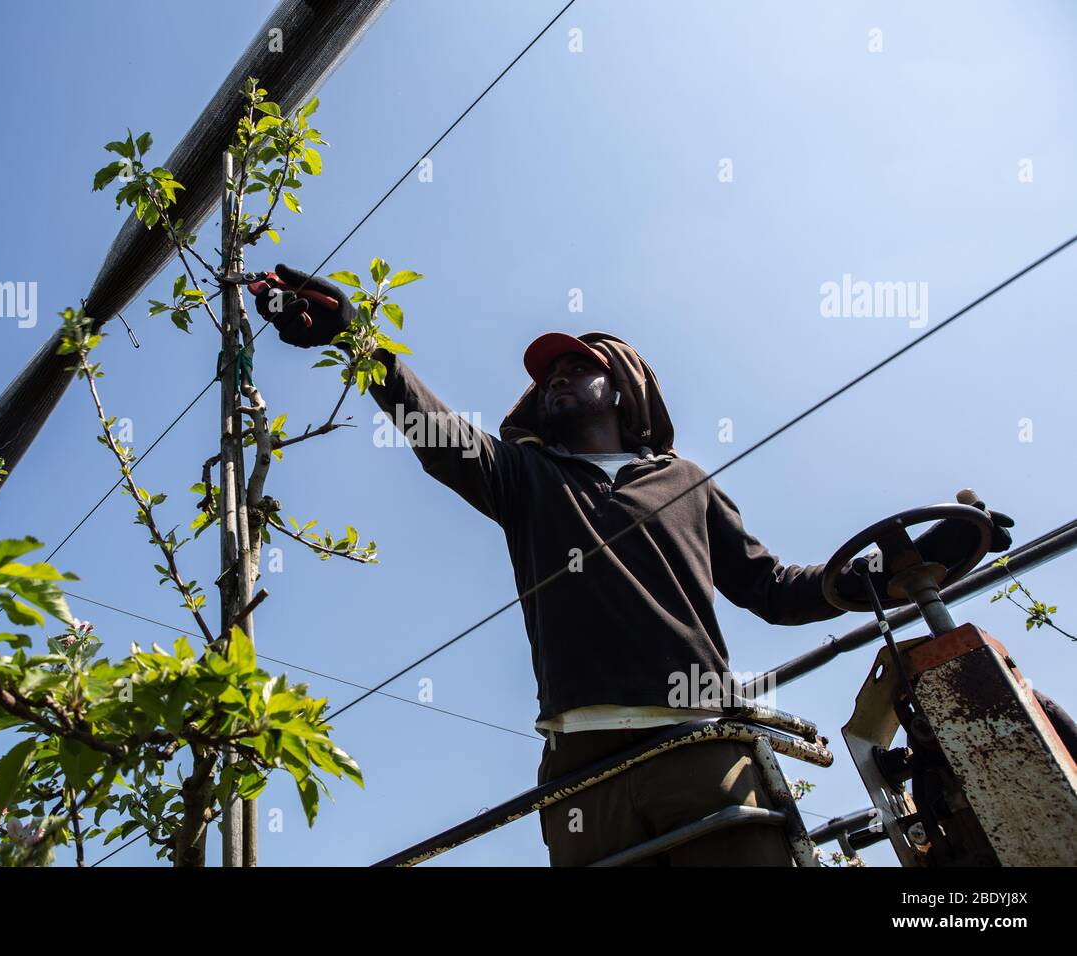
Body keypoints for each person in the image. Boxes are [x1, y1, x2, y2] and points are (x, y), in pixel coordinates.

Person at [249, 264, 1014, 866]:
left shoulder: (687, 484)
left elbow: (774, 590)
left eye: (574, 368)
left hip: (701, 747)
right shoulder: (528, 479)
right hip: (580, 775)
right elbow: (439, 434)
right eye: (545, 374)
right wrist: (356, 341)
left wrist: (900, 569)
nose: (553, 378)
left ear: (624, 385)